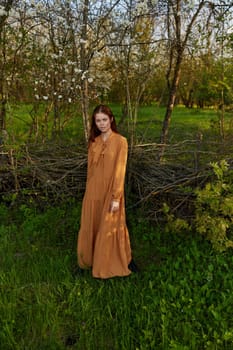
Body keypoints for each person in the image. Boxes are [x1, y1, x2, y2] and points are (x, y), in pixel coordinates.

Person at [77, 104, 137, 279]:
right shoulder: (93, 142)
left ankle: (110, 263)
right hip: (93, 191)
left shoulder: (120, 142)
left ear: (111, 119)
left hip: (111, 192)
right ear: (94, 123)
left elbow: (120, 170)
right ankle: (88, 260)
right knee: (91, 224)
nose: (102, 124)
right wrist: (88, 193)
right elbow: (90, 171)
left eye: (104, 119)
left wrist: (116, 197)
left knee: (109, 226)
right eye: (98, 121)